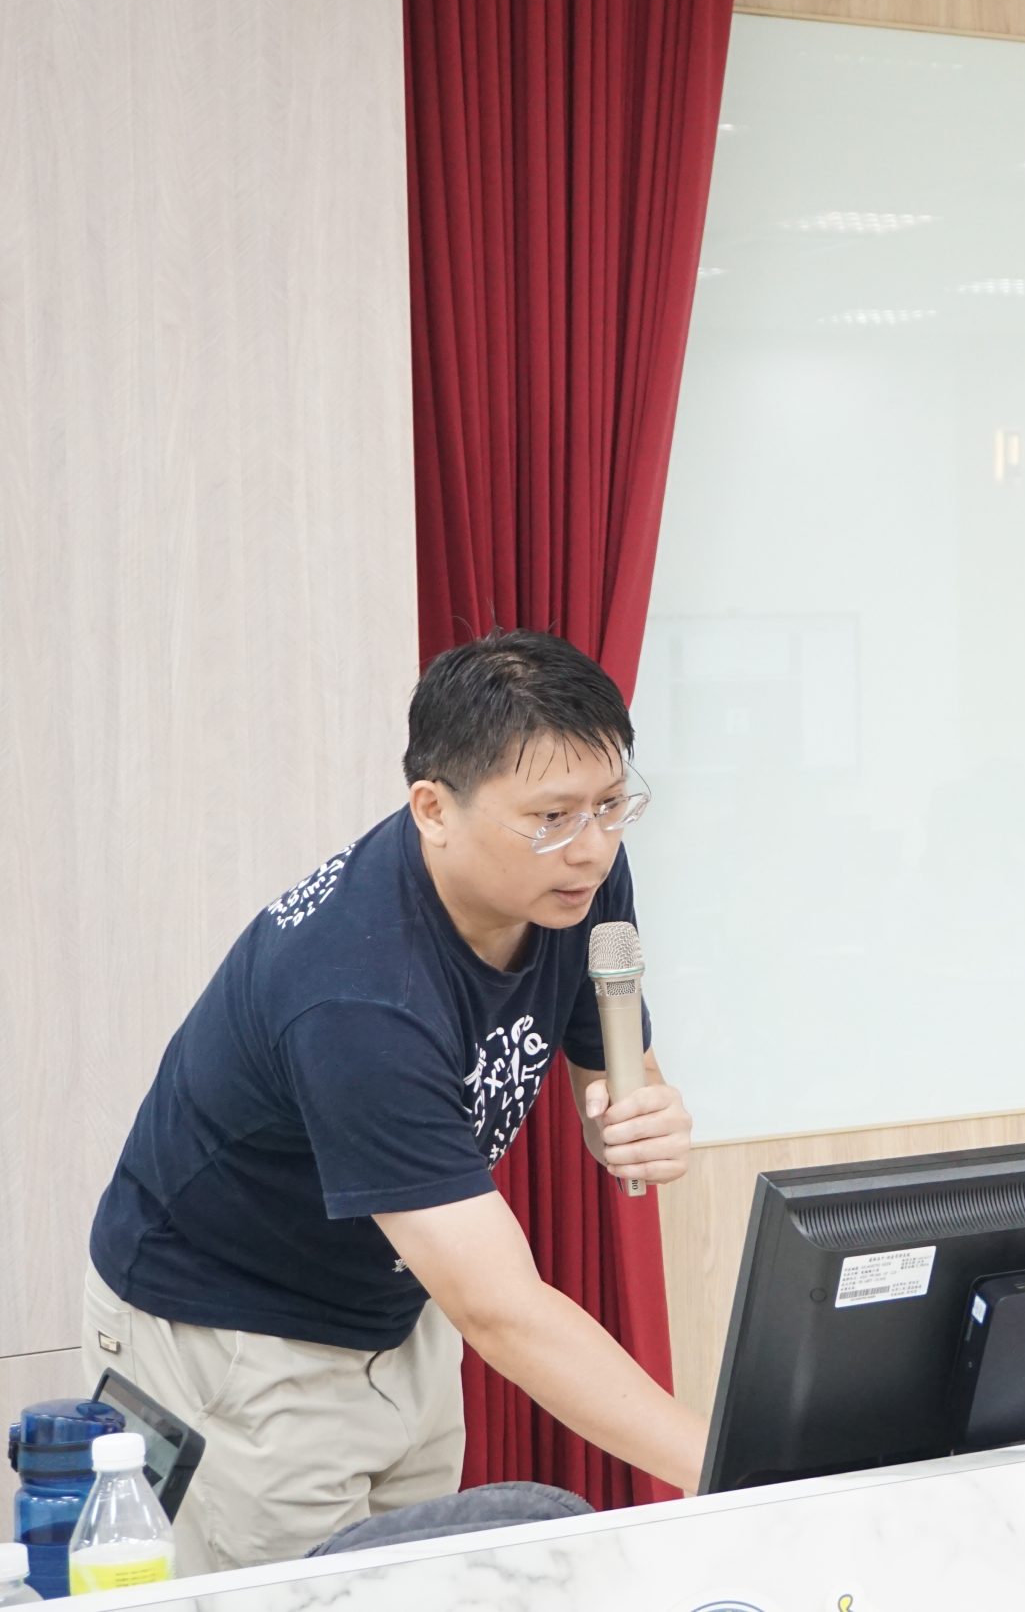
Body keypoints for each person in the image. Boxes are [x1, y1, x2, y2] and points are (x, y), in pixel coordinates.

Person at [83, 630, 708, 1573]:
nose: (592, 846)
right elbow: (502, 1310)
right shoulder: (358, 995)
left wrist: (633, 1110)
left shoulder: (571, 877)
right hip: (231, 1335)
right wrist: (729, 1465)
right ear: (433, 808)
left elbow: (608, 1061)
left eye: (612, 804)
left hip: (397, 1296)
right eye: (551, 815)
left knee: (416, 1584)